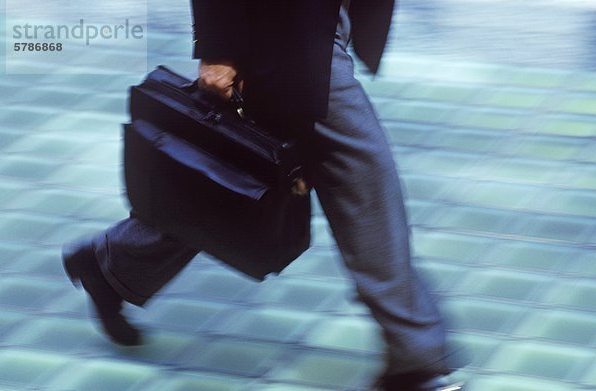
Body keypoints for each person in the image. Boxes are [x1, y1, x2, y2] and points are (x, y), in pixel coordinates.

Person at [63, 1, 464, 390]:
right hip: (285, 29)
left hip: (313, 26)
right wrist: (217, 48)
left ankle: (113, 264)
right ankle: (416, 355)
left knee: (237, 176)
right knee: (365, 185)